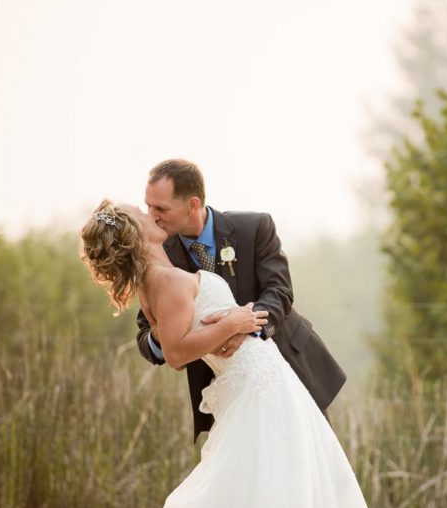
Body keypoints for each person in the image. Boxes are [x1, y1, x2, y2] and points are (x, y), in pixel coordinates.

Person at [80, 200, 401, 508]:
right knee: (264, 481)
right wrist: (232, 325)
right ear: (135, 235)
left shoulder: (159, 276)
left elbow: (255, 302)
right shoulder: (166, 278)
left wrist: (231, 325)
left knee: (296, 480)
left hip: (264, 377)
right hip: (254, 384)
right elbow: (175, 353)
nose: (149, 213)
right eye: (142, 213)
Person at [134, 158, 346, 444]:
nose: (152, 216)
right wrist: (166, 336)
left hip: (289, 367)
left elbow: (279, 291)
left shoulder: (254, 228)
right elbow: (146, 333)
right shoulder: (160, 254)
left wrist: (244, 327)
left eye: (161, 208)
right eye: (147, 206)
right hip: (228, 390)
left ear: (193, 205)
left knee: (314, 465)